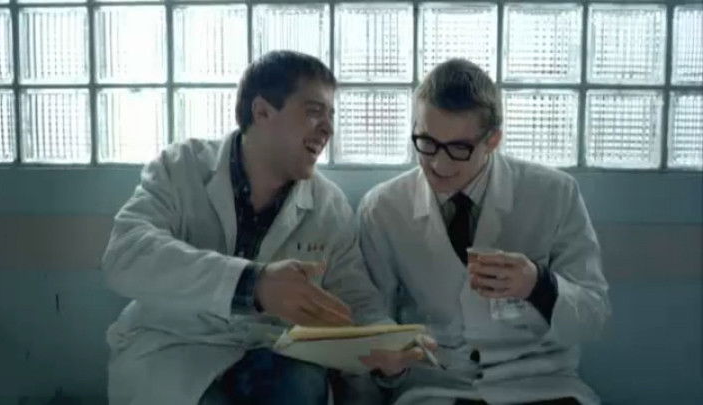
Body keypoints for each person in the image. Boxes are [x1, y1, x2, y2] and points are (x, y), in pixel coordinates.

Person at [101, 50, 391, 405]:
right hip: (174, 344)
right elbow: (125, 254)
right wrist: (253, 284)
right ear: (262, 111)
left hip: (273, 353)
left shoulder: (329, 205)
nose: (328, 128)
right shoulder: (180, 167)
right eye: (314, 111)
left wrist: (387, 339)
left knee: (301, 387)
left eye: (332, 115)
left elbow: (354, 298)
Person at [356, 58, 611, 405]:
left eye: (459, 149)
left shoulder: (554, 194)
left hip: (540, 383)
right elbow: (372, 315)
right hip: (436, 384)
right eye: (426, 142)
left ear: (493, 140)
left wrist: (538, 284)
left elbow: (593, 314)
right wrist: (390, 364)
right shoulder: (382, 209)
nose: (439, 164)